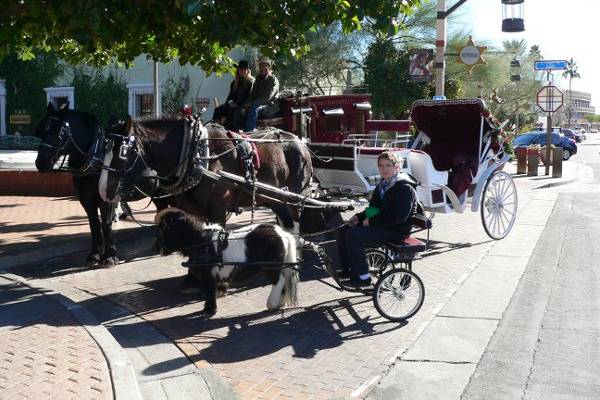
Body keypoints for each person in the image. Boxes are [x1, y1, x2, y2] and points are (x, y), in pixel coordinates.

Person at [336, 151, 418, 287]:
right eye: (381, 166)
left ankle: (363, 277)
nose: (384, 169)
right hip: (383, 226)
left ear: (397, 167)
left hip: (397, 230)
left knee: (353, 235)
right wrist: (359, 217)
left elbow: (399, 217)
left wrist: (372, 221)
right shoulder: (383, 184)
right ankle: (349, 270)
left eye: (388, 165)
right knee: (343, 230)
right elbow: (374, 208)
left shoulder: (404, 188)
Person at [212, 60, 254, 130]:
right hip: (234, 105)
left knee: (234, 113)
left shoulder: (250, 82)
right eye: (240, 69)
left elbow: (250, 98)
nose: (242, 71)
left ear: (247, 71)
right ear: (238, 70)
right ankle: (215, 128)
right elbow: (230, 97)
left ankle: (229, 130)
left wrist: (241, 106)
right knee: (218, 110)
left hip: (244, 107)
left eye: (244, 69)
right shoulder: (234, 83)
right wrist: (228, 104)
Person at [242, 57, 280, 132]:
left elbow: (267, 97)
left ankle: (248, 132)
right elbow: (253, 93)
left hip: (270, 106)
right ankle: (237, 131)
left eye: (265, 66)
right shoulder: (258, 79)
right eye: (261, 67)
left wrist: (252, 103)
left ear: (269, 68)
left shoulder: (273, 80)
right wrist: (246, 103)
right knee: (241, 109)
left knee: (254, 109)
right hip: (258, 104)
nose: (263, 68)